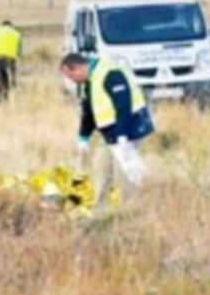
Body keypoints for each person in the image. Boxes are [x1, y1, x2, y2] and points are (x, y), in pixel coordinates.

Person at [60, 53, 155, 210]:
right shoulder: (87, 81)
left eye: (71, 76)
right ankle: (100, 210)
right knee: (101, 167)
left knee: (123, 170)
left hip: (129, 127)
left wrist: (123, 136)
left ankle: (129, 210)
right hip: (110, 131)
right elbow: (88, 111)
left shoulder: (109, 72)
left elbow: (124, 105)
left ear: (77, 68)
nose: (71, 81)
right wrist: (83, 137)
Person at [0, 20, 23, 102]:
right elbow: (20, 51)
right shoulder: (16, 34)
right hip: (10, 61)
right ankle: (6, 99)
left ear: (2, 25)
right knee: (7, 82)